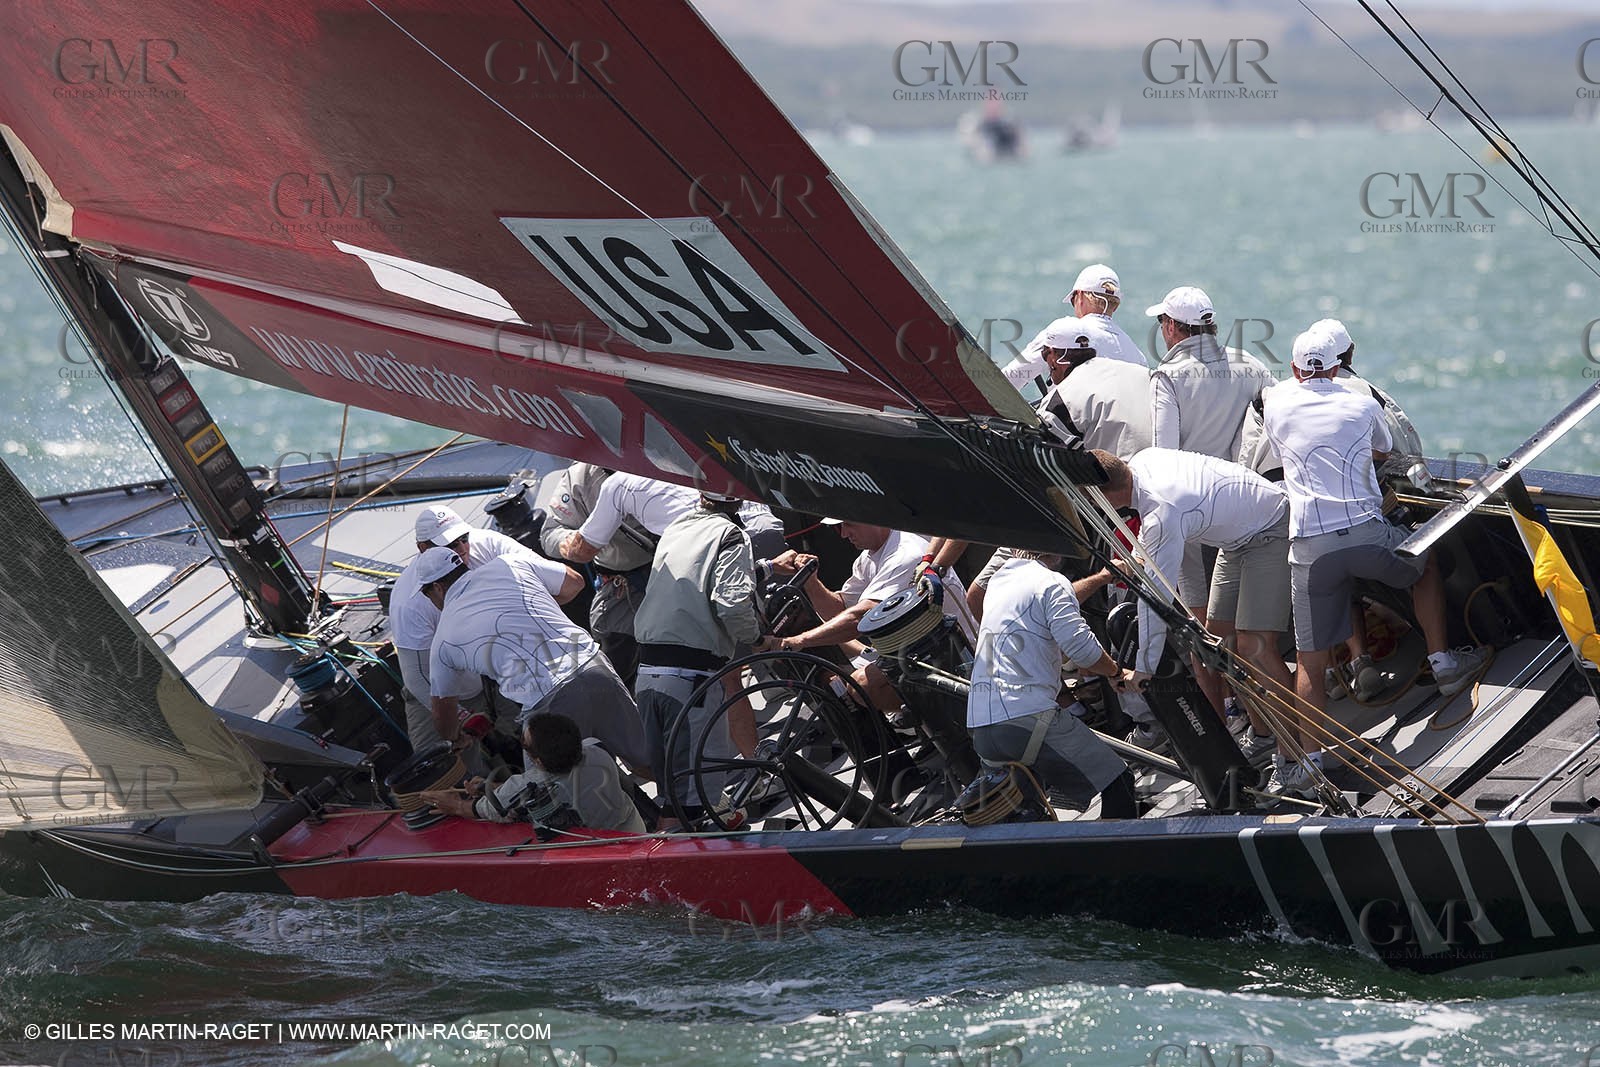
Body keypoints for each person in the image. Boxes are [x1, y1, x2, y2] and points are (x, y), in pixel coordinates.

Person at [1262, 326, 1489, 797]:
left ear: (1295, 369)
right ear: (1340, 365)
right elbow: (1384, 450)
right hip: (1366, 533)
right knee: (1422, 561)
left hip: (1310, 547)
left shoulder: (1277, 403)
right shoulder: (1362, 402)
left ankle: (1310, 762)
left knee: (1310, 658)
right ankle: (1443, 664)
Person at [1093, 448, 1293, 768]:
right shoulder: (1142, 460)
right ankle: (1264, 733)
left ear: (1109, 495)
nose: (1094, 506)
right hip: (1236, 541)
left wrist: (1144, 669)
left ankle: (1295, 754)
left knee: (1255, 647)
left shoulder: (1162, 512)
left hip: (1271, 528)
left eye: (1094, 498)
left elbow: (1154, 599)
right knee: (1218, 644)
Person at [419, 546, 651, 777]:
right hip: (592, 664)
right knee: (647, 760)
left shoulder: (442, 640)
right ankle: (682, 806)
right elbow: (575, 582)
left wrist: (456, 737)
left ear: (437, 588)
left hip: (548, 702)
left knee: (550, 795)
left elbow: (443, 715)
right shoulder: (509, 563)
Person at [967, 548, 1138, 818]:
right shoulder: (1051, 583)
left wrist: (1103, 577)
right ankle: (1119, 857)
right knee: (1119, 782)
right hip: (1027, 717)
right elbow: (1081, 649)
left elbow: (1054, 598)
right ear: (1056, 550)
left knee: (1028, 812)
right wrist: (1117, 672)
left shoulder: (1001, 583)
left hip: (982, 727)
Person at [631, 491, 762, 817]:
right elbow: (731, 603)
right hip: (691, 682)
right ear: (739, 501)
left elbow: (695, 582)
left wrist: (768, 569)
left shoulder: (675, 529)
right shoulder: (731, 534)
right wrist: (758, 639)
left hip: (648, 677)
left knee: (672, 796)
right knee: (693, 807)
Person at [389, 504, 535, 748]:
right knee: (441, 763)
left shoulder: (489, 545)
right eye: (451, 545)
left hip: (495, 667)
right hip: (442, 686)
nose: (462, 549)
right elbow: (418, 676)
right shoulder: (409, 604)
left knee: (532, 734)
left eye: (464, 539)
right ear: (423, 549)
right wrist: (458, 718)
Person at [766, 520, 931, 713]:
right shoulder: (867, 559)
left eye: (848, 525)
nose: (844, 534)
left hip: (933, 653)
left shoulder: (904, 554)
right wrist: (811, 582)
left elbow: (859, 618)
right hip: (903, 650)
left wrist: (800, 640)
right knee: (833, 680)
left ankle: (928, 726)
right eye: (838, 528)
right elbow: (839, 610)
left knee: (861, 685)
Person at [420, 712, 646, 833]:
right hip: (634, 830)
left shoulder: (527, 786)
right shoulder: (597, 749)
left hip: (597, 851)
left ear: (537, 760)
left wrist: (454, 804)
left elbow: (482, 810)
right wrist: (489, 789)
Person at [1001, 263, 1148, 392]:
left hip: (1067, 423)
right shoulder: (1139, 358)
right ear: (1115, 306)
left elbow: (1008, 381)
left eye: (1072, 300)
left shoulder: (1064, 333)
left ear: (1080, 296)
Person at [1035, 315, 1153, 460]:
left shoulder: (1059, 402)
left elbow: (1046, 452)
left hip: (1124, 477)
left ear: (1053, 355)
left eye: (1045, 354)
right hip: (1169, 465)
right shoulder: (1142, 373)